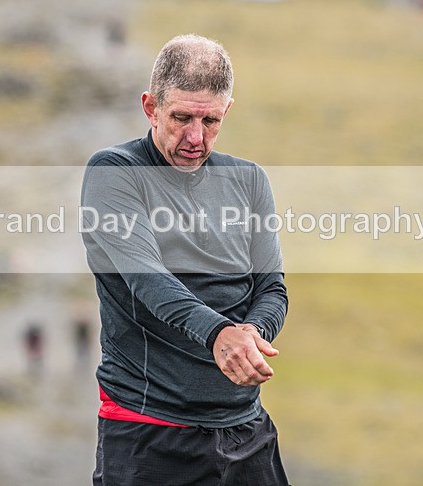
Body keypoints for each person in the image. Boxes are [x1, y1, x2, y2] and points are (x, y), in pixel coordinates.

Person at [81, 34, 289, 485]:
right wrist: (219, 336)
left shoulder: (249, 180)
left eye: (210, 120)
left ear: (227, 110)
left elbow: (272, 288)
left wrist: (252, 334)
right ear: (150, 107)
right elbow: (149, 280)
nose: (196, 137)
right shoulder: (114, 173)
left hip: (245, 431)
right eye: (181, 117)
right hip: (149, 435)